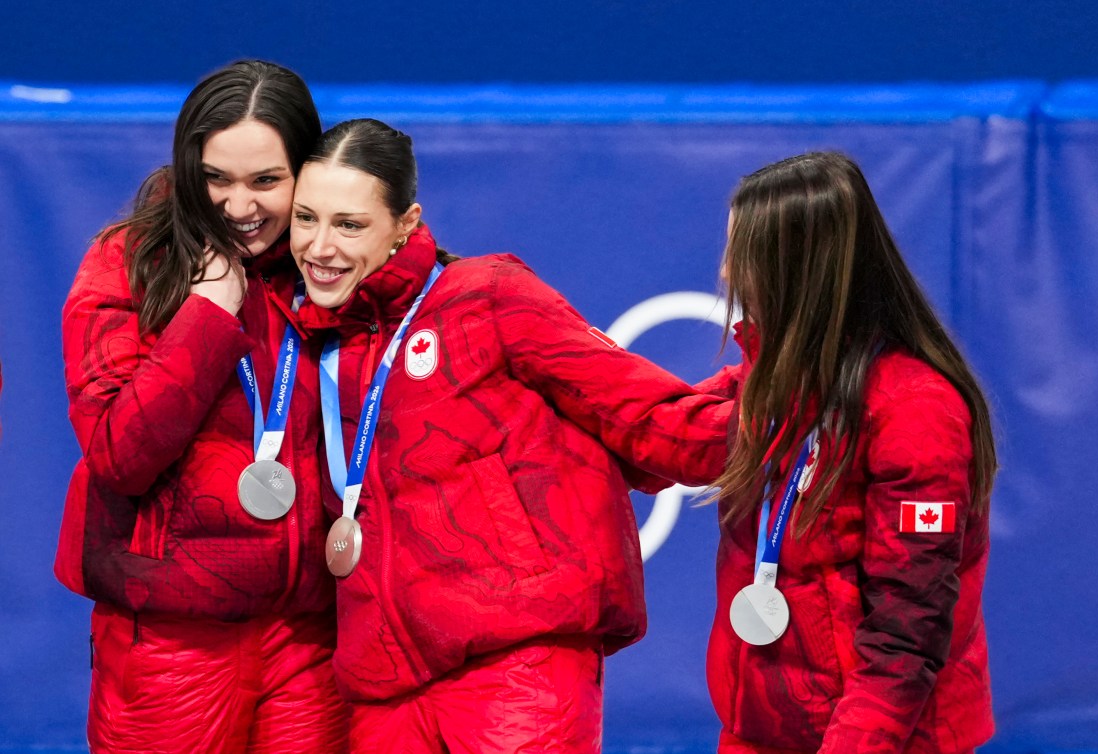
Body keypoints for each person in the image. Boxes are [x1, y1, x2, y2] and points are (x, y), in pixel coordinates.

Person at [288, 118, 733, 753]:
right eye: (306, 218)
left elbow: (653, 420)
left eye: (349, 224)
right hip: (385, 682)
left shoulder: (485, 297)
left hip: (518, 665)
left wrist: (794, 375)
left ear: (406, 224)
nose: (320, 246)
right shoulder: (312, 341)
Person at [54, 60, 348, 753]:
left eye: (266, 182)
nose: (238, 205)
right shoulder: (128, 262)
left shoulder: (332, 273)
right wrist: (209, 316)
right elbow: (118, 454)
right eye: (215, 178)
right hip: (169, 638)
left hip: (311, 634)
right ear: (188, 168)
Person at [702, 152, 996, 753]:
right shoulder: (770, 386)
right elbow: (650, 426)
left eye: (743, 254)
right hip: (763, 730)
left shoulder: (917, 410)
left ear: (796, 269)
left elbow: (904, 640)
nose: (728, 273)